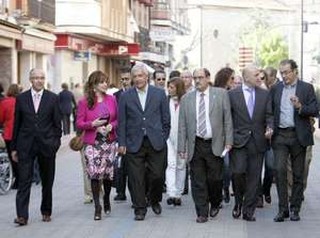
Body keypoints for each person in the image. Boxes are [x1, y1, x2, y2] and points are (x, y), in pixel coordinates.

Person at [178, 68, 233, 223]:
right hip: (196, 144)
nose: (197, 81)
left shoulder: (221, 94)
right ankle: (202, 212)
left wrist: (229, 141)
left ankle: (215, 202)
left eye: (200, 77)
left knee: (215, 179)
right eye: (195, 78)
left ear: (208, 78)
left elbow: (227, 119)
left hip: (214, 144)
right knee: (197, 180)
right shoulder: (186, 99)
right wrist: (182, 148)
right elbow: (182, 125)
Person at [118, 64, 170, 221]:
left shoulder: (159, 94)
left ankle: (154, 199)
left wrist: (163, 136)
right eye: (135, 77)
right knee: (136, 178)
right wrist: (122, 143)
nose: (137, 79)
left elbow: (166, 119)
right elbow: (122, 122)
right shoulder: (125, 96)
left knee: (157, 176)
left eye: (140, 76)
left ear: (147, 77)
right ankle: (140, 209)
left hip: (156, 142)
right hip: (134, 142)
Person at [11, 68, 62, 226]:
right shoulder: (21, 98)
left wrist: (55, 143)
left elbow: (57, 125)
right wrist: (14, 147)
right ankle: (22, 216)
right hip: (25, 145)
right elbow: (16, 124)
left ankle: (46, 211)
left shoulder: (52, 98)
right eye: (36, 78)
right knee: (24, 181)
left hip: (47, 145)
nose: (39, 80)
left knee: (47, 181)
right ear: (30, 80)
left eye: (42, 77)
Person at [270, 59, 318, 222]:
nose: (284, 76)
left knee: (298, 174)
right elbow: (270, 111)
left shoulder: (306, 88)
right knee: (279, 170)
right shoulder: (276, 88)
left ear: (295, 71)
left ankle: (295, 208)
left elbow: (315, 109)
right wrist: (269, 127)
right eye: (281, 73)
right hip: (280, 136)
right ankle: (282, 209)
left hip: (298, 136)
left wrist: (300, 107)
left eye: (287, 72)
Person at [228, 65, 273, 222]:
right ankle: (238, 202)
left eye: (260, 75)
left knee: (254, 178)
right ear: (246, 78)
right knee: (238, 173)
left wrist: (270, 127)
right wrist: (229, 138)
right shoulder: (232, 95)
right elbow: (228, 119)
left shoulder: (265, 94)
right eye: (256, 75)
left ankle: (249, 211)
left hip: (258, 141)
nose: (259, 77)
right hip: (239, 141)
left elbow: (269, 115)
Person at [76, 70, 118, 221]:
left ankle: (106, 198)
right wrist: (93, 125)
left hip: (109, 142)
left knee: (107, 175)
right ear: (93, 84)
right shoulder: (84, 102)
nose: (105, 84)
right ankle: (97, 207)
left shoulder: (112, 99)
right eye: (102, 82)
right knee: (94, 175)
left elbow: (117, 119)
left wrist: (111, 126)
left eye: (106, 81)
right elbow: (79, 123)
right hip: (92, 144)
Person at [213, 67, 235, 205]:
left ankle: (225, 187)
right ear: (225, 78)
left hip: (230, 135)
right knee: (217, 167)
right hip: (216, 136)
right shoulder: (215, 93)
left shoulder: (233, 94)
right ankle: (218, 192)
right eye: (232, 78)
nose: (234, 80)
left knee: (227, 167)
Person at [166, 77, 186, 206]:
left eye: (172, 87)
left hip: (183, 138)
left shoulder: (186, 101)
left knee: (181, 165)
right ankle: (171, 192)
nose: (169, 89)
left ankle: (178, 193)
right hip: (168, 137)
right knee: (171, 163)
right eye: (169, 87)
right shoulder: (165, 101)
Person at [113, 67, 132, 201]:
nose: (124, 82)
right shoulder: (116, 96)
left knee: (132, 166)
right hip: (120, 134)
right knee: (119, 165)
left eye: (127, 79)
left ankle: (135, 194)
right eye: (123, 79)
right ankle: (120, 192)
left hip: (133, 135)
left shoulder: (136, 94)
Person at [0, 84, 20, 189]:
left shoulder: (5, 102)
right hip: (23, 133)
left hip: (9, 133)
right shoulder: (23, 101)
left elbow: (1, 118)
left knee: (12, 157)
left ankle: (17, 179)